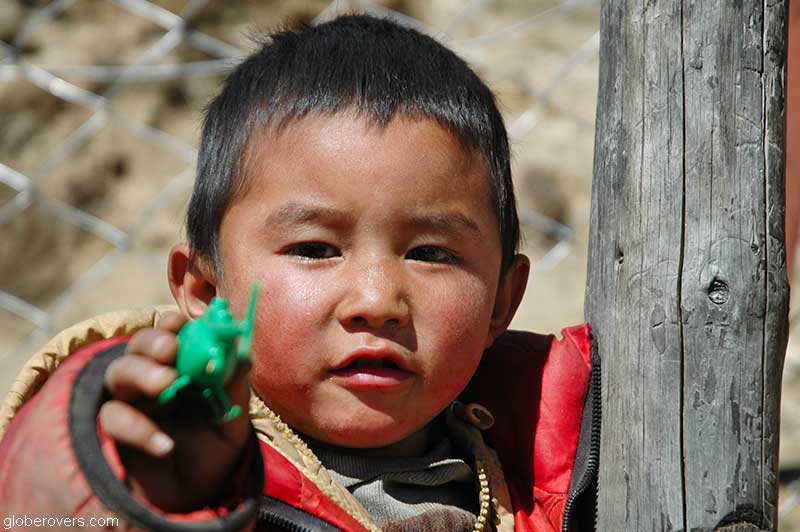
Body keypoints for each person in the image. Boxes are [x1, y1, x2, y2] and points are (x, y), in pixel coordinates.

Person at [0, 15, 598, 532]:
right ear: (206, 292)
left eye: (430, 253)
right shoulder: (171, 449)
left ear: (501, 300)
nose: (377, 300)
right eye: (314, 248)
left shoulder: (557, 461)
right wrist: (148, 496)